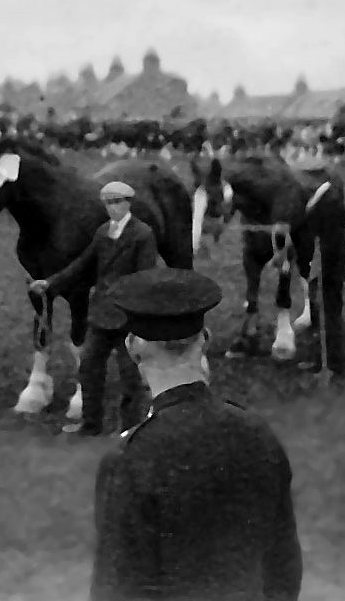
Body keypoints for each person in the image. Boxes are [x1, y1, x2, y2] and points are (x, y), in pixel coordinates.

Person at [90, 268, 303, 601]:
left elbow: (117, 590)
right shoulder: (258, 436)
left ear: (133, 347)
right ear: (205, 339)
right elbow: (284, 572)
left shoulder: (130, 461)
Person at [28, 180, 157, 436]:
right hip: (100, 315)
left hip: (128, 317)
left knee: (129, 375)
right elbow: (81, 265)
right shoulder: (103, 233)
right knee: (88, 367)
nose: (112, 208)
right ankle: (90, 424)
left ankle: (130, 428)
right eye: (108, 203)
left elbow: (145, 277)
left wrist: (137, 312)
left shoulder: (142, 235)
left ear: (128, 203)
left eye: (117, 202)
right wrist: (50, 284)